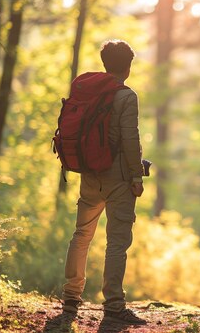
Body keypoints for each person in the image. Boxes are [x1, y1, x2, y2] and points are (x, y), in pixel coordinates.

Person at [62, 40, 147, 325]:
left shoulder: (91, 92)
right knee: (117, 241)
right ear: (128, 66)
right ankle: (113, 304)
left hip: (89, 173)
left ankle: (71, 295)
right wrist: (136, 176)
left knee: (82, 234)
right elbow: (130, 139)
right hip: (118, 176)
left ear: (105, 62)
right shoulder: (126, 96)